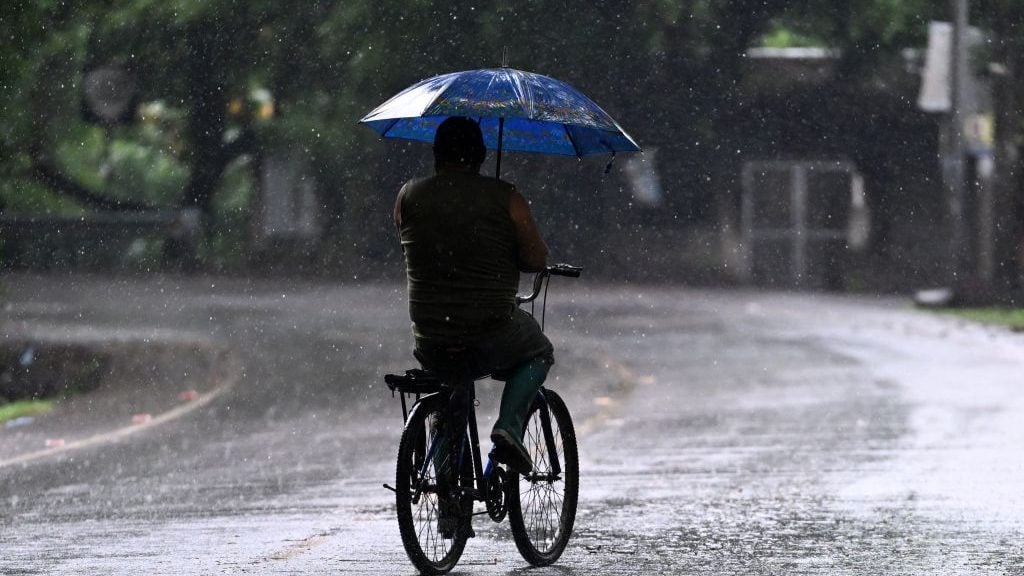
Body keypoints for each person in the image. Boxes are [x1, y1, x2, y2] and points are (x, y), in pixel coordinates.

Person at [394, 116, 552, 474]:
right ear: (480, 155)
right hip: (490, 332)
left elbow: (412, 246)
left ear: (436, 154)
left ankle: (450, 501)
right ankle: (509, 428)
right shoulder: (507, 199)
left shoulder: (407, 196)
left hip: (430, 335)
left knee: (453, 383)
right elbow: (535, 259)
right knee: (539, 352)